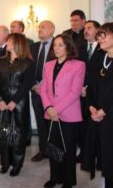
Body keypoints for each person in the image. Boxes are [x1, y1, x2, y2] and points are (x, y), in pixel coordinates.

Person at [87, 23, 113, 188]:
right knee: (108, 163)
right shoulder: (99, 57)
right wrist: (91, 105)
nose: (99, 38)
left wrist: (106, 110)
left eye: (104, 35)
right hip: (102, 120)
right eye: (99, 35)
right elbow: (92, 86)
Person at [40, 34, 85, 188]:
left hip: (69, 114)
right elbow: (43, 89)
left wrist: (56, 109)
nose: (57, 48)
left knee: (68, 150)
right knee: (53, 148)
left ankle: (68, 180)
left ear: (68, 46)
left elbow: (75, 92)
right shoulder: (48, 65)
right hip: (50, 113)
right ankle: (55, 177)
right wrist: (48, 107)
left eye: (60, 45)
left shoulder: (78, 65)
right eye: (55, 45)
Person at [0, 33, 34, 177]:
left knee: (18, 135)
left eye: (10, 41)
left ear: (18, 43)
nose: (7, 43)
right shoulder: (1, 61)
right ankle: (5, 163)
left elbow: (26, 85)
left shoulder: (28, 62)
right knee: (3, 133)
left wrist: (14, 101)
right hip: (2, 102)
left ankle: (17, 164)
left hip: (19, 103)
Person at [76, 20, 102, 163]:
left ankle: (98, 153)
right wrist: (79, 87)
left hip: (97, 94)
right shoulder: (79, 48)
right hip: (80, 92)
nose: (85, 30)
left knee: (96, 125)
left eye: (89, 28)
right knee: (83, 126)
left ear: (97, 31)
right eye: (85, 28)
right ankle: (84, 152)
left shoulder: (103, 48)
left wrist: (89, 89)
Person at [30, 20, 55, 162]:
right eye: (39, 27)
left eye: (43, 27)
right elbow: (29, 68)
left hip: (51, 92)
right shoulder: (33, 47)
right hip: (35, 91)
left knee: (52, 123)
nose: (39, 29)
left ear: (51, 30)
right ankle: (43, 150)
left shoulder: (58, 45)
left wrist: (44, 86)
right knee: (40, 122)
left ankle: (53, 151)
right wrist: (33, 85)